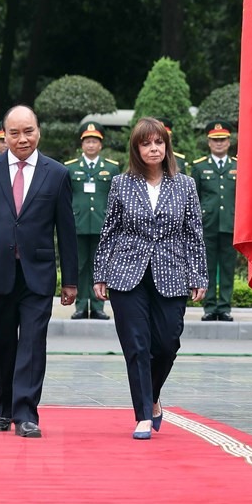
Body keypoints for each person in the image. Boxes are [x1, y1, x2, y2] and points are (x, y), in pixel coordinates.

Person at [0, 105, 78, 438]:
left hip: (36, 274)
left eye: (28, 131)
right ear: (4, 136)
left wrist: (70, 280)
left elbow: (66, 231)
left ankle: (26, 413)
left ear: (38, 131)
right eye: (14, 133)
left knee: (33, 344)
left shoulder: (56, 174)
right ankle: (4, 407)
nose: (22, 139)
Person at [93, 117, 207, 439]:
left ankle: (152, 396)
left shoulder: (185, 184)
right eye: (146, 143)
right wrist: (101, 273)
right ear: (136, 149)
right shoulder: (121, 183)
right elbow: (109, 231)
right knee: (137, 345)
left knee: (168, 342)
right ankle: (143, 414)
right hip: (127, 272)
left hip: (172, 270)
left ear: (166, 146)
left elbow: (194, 233)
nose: (153, 148)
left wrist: (198, 274)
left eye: (158, 142)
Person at [64, 121, 119, 320]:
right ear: (82, 144)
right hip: (77, 224)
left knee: (100, 266)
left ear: (101, 144)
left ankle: (98, 306)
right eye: (87, 141)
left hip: (102, 224)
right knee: (79, 265)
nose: (91, 145)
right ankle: (80, 305)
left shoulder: (111, 168)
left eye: (94, 141)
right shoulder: (70, 168)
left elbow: (115, 199)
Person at [192, 120, 236, 321]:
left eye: (222, 140)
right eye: (215, 140)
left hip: (230, 223)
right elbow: (195, 199)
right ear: (209, 142)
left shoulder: (238, 166)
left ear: (229, 142)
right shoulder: (200, 167)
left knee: (227, 268)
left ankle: (225, 307)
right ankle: (209, 307)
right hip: (207, 225)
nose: (219, 143)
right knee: (207, 267)